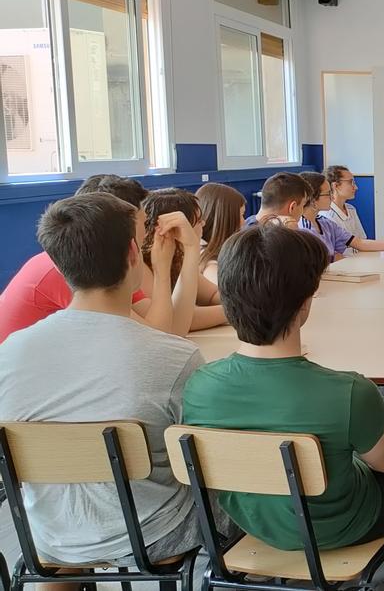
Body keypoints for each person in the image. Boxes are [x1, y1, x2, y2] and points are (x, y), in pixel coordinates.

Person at [182, 225, 384, 552]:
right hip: (347, 525)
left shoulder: (199, 385)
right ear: (306, 303)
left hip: (255, 527)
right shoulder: (349, 391)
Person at [0, 192, 209, 566]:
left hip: (47, 536)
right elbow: (203, 446)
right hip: (152, 533)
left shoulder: (11, 351)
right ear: (134, 254)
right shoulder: (173, 356)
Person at [0, 175, 197, 342]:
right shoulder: (75, 268)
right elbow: (158, 339)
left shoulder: (110, 264)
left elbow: (174, 328)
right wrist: (162, 269)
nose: (148, 232)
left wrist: (191, 249)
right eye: (144, 223)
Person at [141, 188, 227, 330]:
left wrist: (249, 301)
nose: (204, 224)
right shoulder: (142, 266)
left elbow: (212, 294)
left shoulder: (178, 257)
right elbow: (181, 319)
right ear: (176, 228)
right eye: (198, 221)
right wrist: (239, 311)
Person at [297, 172, 384, 261]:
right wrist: (333, 258)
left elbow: (359, 243)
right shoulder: (302, 229)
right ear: (313, 200)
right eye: (327, 194)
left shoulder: (325, 223)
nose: (332, 196)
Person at [197, 183, 246, 285]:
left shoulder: (198, 247)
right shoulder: (211, 266)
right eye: (242, 215)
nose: (244, 221)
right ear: (226, 221)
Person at [320, 165, 368, 248]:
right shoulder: (325, 216)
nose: (356, 187)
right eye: (350, 182)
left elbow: (363, 240)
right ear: (335, 186)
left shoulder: (351, 209)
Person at [245, 172, 311, 227]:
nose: (303, 211)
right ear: (292, 207)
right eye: (303, 205)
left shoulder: (245, 225)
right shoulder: (274, 238)